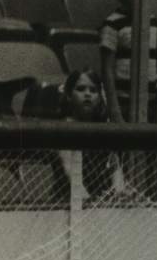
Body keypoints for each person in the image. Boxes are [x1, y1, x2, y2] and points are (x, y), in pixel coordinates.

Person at [54, 70, 128, 200]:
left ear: (99, 97)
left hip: (98, 201)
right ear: (69, 95)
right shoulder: (64, 128)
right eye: (81, 89)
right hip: (66, 202)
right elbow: (69, 168)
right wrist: (87, 200)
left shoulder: (103, 129)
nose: (87, 94)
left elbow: (115, 168)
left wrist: (119, 191)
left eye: (93, 90)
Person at [99, 0, 157, 123]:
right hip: (123, 102)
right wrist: (115, 112)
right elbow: (107, 69)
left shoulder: (152, 20)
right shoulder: (112, 22)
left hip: (150, 102)